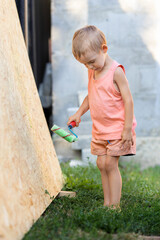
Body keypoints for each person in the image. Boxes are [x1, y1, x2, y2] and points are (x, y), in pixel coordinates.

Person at [67, 25, 137, 209]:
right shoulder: (93, 70)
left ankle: (115, 205)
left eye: (90, 61)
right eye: (84, 64)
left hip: (117, 129)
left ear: (104, 49)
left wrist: (127, 129)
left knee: (111, 165)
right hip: (100, 129)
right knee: (101, 164)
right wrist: (79, 113)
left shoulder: (116, 72)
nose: (89, 67)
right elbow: (91, 95)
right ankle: (107, 203)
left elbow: (128, 101)